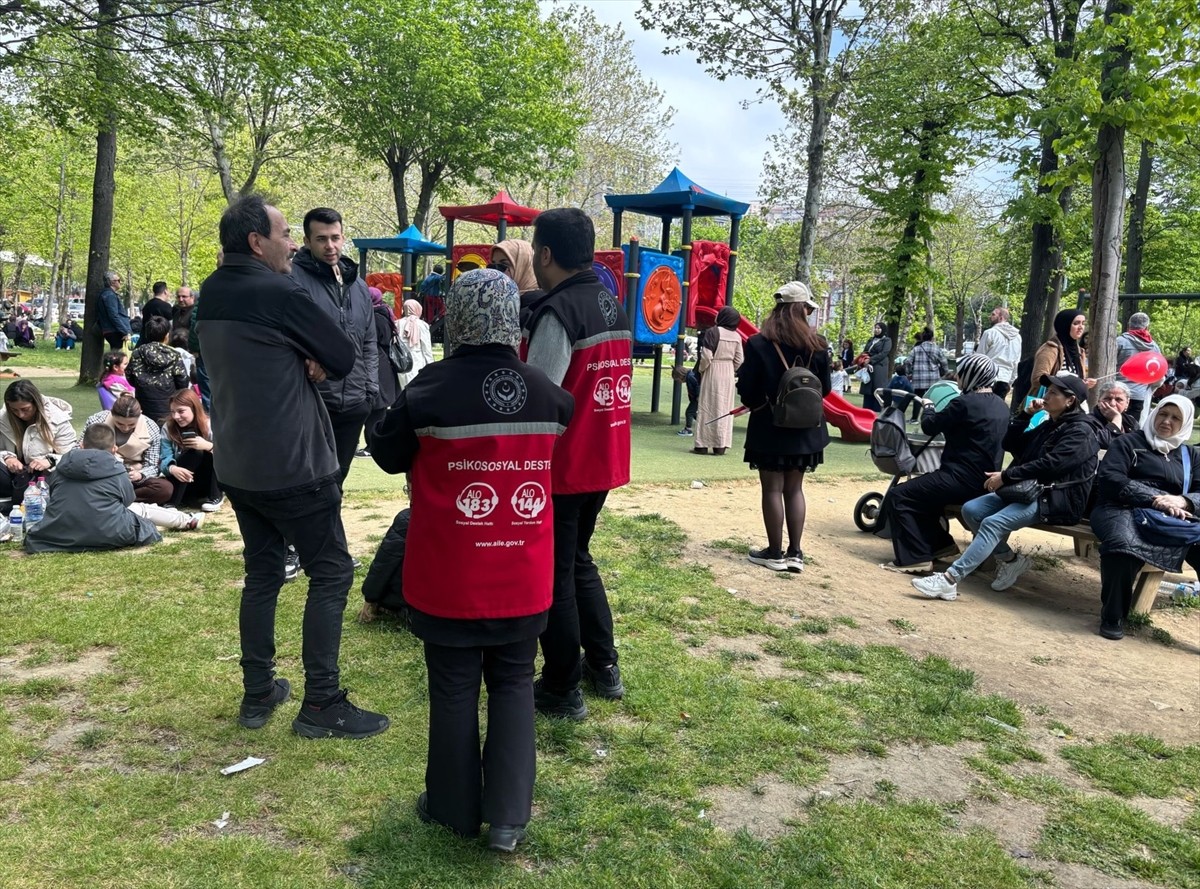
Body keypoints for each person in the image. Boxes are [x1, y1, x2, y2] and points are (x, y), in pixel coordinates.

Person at [371, 268, 573, 852]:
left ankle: (453, 809)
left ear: (454, 317)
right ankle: (508, 818)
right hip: (522, 570)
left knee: (453, 687)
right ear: (513, 319)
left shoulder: (431, 388)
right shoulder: (547, 394)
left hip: (450, 573)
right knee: (513, 681)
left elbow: (386, 453)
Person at [197, 194, 388, 739]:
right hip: (294, 464)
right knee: (330, 572)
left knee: (262, 574)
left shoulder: (212, 291)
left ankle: (258, 693)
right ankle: (322, 704)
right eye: (284, 233)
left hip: (237, 464)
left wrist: (298, 357)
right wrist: (309, 359)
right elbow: (345, 355)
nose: (291, 243)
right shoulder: (279, 291)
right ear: (257, 242)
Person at [522, 207, 631, 721]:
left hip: (565, 464)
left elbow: (536, 395)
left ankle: (563, 684)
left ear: (545, 254)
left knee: (557, 574)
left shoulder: (559, 310)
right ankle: (603, 664)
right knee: (578, 559)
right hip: (604, 456)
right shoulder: (611, 304)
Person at [912, 373, 1101, 600]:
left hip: (1056, 498)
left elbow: (1052, 465)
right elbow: (1010, 443)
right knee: (971, 510)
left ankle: (950, 579)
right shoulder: (1051, 424)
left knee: (993, 523)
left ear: (1070, 401)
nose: (1046, 396)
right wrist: (1024, 416)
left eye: (1053, 392)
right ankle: (1012, 561)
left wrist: (1006, 476)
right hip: (1030, 491)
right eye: (1047, 391)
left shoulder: (1081, 431)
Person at [882, 353, 1011, 572]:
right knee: (925, 498)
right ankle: (940, 545)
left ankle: (915, 558)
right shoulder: (1000, 405)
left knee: (899, 496)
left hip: (960, 478)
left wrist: (929, 406)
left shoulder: (964, 403)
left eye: (961, 374)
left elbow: (929, 426)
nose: (958, 378)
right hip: (986, 480)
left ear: (971, 375)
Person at [736, 282, 831, 572]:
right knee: (795, 489)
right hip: (806, 430)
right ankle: (796, 553)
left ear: (777, 309)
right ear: (803, 309)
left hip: (769, 426)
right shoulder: (819, 345)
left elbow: (748, 390)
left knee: (772, 489)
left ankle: (774, 552)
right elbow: (825, 389)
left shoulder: (757, 343)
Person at [1091, 395, 1200, 640]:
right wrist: (1155, 498)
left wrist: (1184, 501)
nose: (1166, 421)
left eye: (1175, 418)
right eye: (1163, 413)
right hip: (1120, 507)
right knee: (1122, 547)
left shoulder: (1189, 455)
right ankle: (1113, 614)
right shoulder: (1129, 442)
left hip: (1174, 513)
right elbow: (1110, 479)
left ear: (1185, 423)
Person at [290, 207, 378, 482]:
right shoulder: (292, 280)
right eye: (321, 239)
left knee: (338, 479)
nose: (330, 245)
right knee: (311, 480)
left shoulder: (358, 285)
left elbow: (369, 341)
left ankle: (331, 525)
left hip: (355, 402)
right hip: (313, 401)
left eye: (335, 237)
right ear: (307, 241)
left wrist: (370, 390)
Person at [25, 424, 202, 553]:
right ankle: (185, 520)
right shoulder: (116, 467)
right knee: (139, 512)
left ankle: (184, 520)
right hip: (109, 530)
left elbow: (53, 494)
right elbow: (127, 500)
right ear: (114, 448)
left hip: (62, 528)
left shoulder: (63, 465)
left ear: (82, 446)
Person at [81, 394, 173, 505]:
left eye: (131, 424)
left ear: (140, 415)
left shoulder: (151, 427)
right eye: (119, 423)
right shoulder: (96, 420)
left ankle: (110, 499)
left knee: (165, 488)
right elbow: (79, 448)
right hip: (100, 472)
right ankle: (119, 500)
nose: (125, 428)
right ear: (111, 413)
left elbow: (152, 465)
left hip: (132, 476)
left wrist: (140, 475)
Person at [0, 379, 77, 511]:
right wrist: (8, 457)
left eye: (25, 409)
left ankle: (14, 504)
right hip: (13, 474)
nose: (20, 414)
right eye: (14, 410)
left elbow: (71, 454)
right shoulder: (3, 418)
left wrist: (50, 460)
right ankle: (13, 502)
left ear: (36, 403)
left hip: (43, 476)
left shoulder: (58, 419)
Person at [693, 305, 744, 455]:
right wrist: (731, 369)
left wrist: (702, 370)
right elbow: (740, 359)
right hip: (728, 372)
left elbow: (707, 356)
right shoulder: (737, 336)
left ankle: (702, 444)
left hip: (713, 369)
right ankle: (720, 445)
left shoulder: (713, 332)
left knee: (707, 406)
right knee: (724, 407)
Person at [161, 389, 222, 511]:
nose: (176, 416)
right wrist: (172, 468)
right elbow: (164, 457)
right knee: (193, 453)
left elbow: (228, 457)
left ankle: (215, 496)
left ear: (194, 408)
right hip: (183, 479)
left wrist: (208, 446)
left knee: (203, 452)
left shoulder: (210, 426)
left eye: (181, 411)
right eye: (173, 412)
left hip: (208, 478)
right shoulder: (168, 428)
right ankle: (174, 502)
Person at [126, 315, 189, 424]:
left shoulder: (137, 353)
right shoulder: (174, 355)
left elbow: (129, 376)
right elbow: (182, 381)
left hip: (143, 404)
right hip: (168, 405)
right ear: (167, 335)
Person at [363, 286, 401, 453]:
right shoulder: (385, 313)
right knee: (378, 410)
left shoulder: (376, 318)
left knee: (375, 410)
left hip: (378, 366)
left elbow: (376, 340)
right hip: (383, 366)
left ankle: (373, 445)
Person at [1030, 309, 1095, 393]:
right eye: (1076, 323)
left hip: (1071, 403)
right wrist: (1067, 384)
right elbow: (1037, 379)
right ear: (1065, 325)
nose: (1081, 327)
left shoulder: (1080, 352)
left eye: (1083, 323)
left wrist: (1084, 383)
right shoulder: (1050, 349)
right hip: (1049, 401)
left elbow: (1077, 380)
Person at [1114, 312, 1162, 421]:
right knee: (1131, 428)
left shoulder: (1120, 342)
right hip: (1139, 395)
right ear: (1147, 327)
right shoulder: (1154, 347)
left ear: (1128, 325)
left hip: (1116, 393)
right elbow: (1159, 372)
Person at [977, 307, 1022, 399]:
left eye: (993, 314)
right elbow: (1016, 361)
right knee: (997, 410)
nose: (990, 317)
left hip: (987, 379)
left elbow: (979, 357)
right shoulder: (1017, 337)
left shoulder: (989, 333)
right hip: (1005, 379)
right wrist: (1011, 382)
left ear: (1001, 318)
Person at [490, 239, 543, 314]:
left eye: (504, 265)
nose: (496, 271)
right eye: (492, 265)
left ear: (523, 266)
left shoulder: (536, 306)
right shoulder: (496, 299)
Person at [909, 327, 947, 420]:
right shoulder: (937, 349)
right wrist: (945, 373)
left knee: (917, 399)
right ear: (932, 338)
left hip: (919, 379)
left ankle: (914, 418)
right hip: (933, 378)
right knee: (931, 399)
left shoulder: (916, 349)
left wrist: (909, 373)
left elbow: (908, 361)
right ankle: (930, 418)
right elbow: (944, 363)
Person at [398, 299, 434, 388]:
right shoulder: (422, 325)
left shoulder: (397, 323)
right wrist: (431, 364)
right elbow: (426, 347)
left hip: (401, 360)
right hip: (417, 360)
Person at [95, 270, 132, 349]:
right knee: (116, 356)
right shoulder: (109, 295)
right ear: (112, 282)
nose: (120, 282)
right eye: (118, 280)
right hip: (114, 331)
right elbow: (114, 315)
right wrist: (124, 331)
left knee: (116, 355)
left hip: (113, 330)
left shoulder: (107, 294)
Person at [863, 322, 892, 411]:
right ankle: (866, 408)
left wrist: (871, 359)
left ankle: (877, 408)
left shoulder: (886, 340)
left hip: (879, 365)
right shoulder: (871, 340)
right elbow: (865, 350)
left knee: (877, 387)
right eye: (875, 328)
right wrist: (864, 360)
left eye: (879, 328)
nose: (876, 330)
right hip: (868, 365)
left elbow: (884, 353)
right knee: (868, 387)